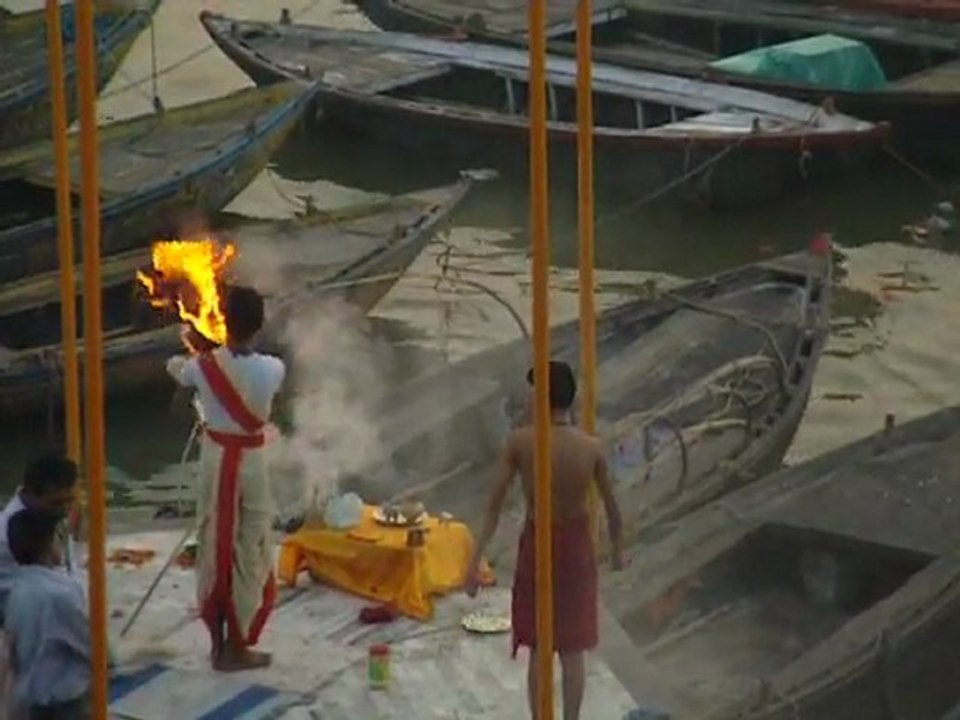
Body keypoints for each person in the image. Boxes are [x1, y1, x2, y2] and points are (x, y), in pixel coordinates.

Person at [465, 360, 624, 720]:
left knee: (540, 645)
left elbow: (493, 506)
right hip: (577, 547)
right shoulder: (591, 446)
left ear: (541, 398)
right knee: (573, 649)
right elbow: (613, 511)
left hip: (539, 543)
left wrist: (473, 563)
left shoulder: (521, 441)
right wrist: (617, 554)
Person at [166, 286, 285, 672]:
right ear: (260, 324)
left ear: (222, 318)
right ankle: (237, 646)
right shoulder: (273, 368)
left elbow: (178, 370)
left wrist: (194, 352)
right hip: (250, 463)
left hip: (216, 461)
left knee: (216, 547)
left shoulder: (202, 366)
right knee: (248, 550)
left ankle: (220, 646)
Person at [4, 507, 90, 720]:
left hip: (31, 698)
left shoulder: (16, 591)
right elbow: (91, 644)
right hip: (64, 701)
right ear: (49, 546)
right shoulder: (59, 594)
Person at [0, 454, 80, 610]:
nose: (63, 510)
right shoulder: (7, 535)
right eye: (56, 503)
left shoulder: (47, 512)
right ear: (29, 494)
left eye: (68, 501)